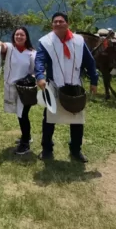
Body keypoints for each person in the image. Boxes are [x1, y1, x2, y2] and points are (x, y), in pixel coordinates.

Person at [35, 12, 99, 162]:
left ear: (67, 24)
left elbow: (89, 62)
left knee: (77, 119)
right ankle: (46, 149)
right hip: (54, 85)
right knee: (49, 118)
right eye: (55, 22)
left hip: (75, 84)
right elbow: (39, 60)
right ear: (52, 25)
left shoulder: (78, 41)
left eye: (61, 21)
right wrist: (39, 76)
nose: (58, 24)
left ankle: (76, 150)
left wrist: (94, 80)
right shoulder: (46, 41)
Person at [0, 27, 38, 155]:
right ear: (13, 36)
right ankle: (27, 136)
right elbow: (0, 46)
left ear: (26, 37)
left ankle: (25, 143)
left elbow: (35, 71)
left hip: (25, 89)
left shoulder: (31, 53)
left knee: (23, 115)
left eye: (22, 35)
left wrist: (30, 79)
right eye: (17, 34)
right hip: (11, 86)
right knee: (20, 114)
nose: (19, 37)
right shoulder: (9, 48)